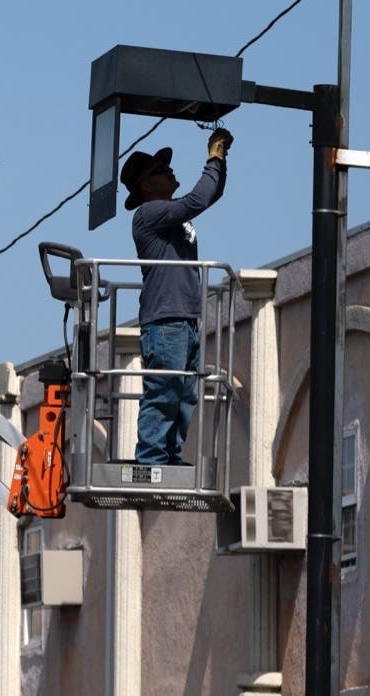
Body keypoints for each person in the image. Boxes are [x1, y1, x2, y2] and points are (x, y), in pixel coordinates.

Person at [119, 127, 234, 465]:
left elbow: (208, 196)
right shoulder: (148, 214)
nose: (170, 171)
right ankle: (152, 458)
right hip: (166, 318)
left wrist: (220, 162)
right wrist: (213, 159)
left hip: (184, 318)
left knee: (185, 394)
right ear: (145, 185)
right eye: (160, 169)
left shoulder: (168, 212)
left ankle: (168, 455)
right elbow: (198, 200)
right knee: (165, 390)